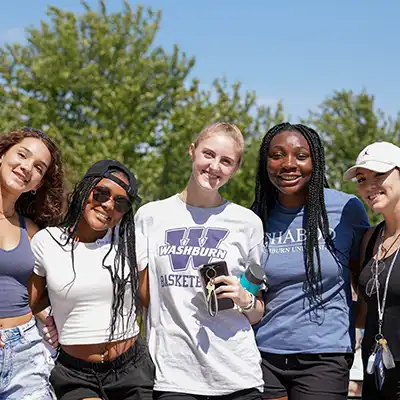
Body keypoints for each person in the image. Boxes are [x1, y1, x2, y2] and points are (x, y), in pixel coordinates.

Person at [135, 122, 265, 400]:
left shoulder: (247, 223)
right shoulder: (151, 216)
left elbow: (256, 312)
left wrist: (245, 299)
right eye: (208, 154)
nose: (215, 166)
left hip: (237, 376)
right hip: (173, 378)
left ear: (236, 169)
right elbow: (140, 295)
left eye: (226, 161)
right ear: (192, 151)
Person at [251, 122, 370, 400]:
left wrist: (348, 324)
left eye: (301, 156)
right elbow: (251, 288)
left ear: (315, 162)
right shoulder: (255, 217)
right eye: (277, 155)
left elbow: (363, 280)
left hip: (325, 356)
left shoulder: (346, 209)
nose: (288, 164)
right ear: (265, 163)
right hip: (263, 354)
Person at [29, 160, 154, 400]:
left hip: (132, 370)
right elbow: (32, 302)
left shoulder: (131, 242)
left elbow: (149, 299)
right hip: (76, 374)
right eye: (102, 193)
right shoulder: (47, 241)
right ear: (86, 190)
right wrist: (51, 320)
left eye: (121, 202)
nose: (108, 205)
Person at [0, 126, 64, 399]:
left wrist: (51, 320)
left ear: (38, 184)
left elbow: (32, 294)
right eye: (22, 155)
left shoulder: (33, 231)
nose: (27, 167)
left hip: (26, 350)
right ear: (2, 154)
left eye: (38, 167)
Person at [344, 141, 400, 399]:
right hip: (374, 370)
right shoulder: (370, 238)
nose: (369, 186)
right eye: (362, 179)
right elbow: (365, 309)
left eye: (380, 175)